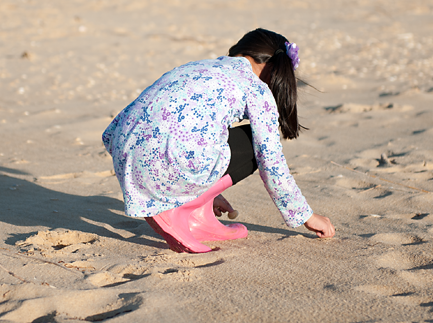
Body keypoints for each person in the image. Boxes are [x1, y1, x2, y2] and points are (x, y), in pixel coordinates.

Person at [101, 28, 335, 253]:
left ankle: (198, 215)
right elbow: (271, 161)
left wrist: (206, 189)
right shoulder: (255, 88)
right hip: (169, 163)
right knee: (252, 142)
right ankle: (179, 208)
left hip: (127, 157)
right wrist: (306, 216)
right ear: (274, 68)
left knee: (209, 134)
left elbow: (115, 132)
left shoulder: (196, 66)